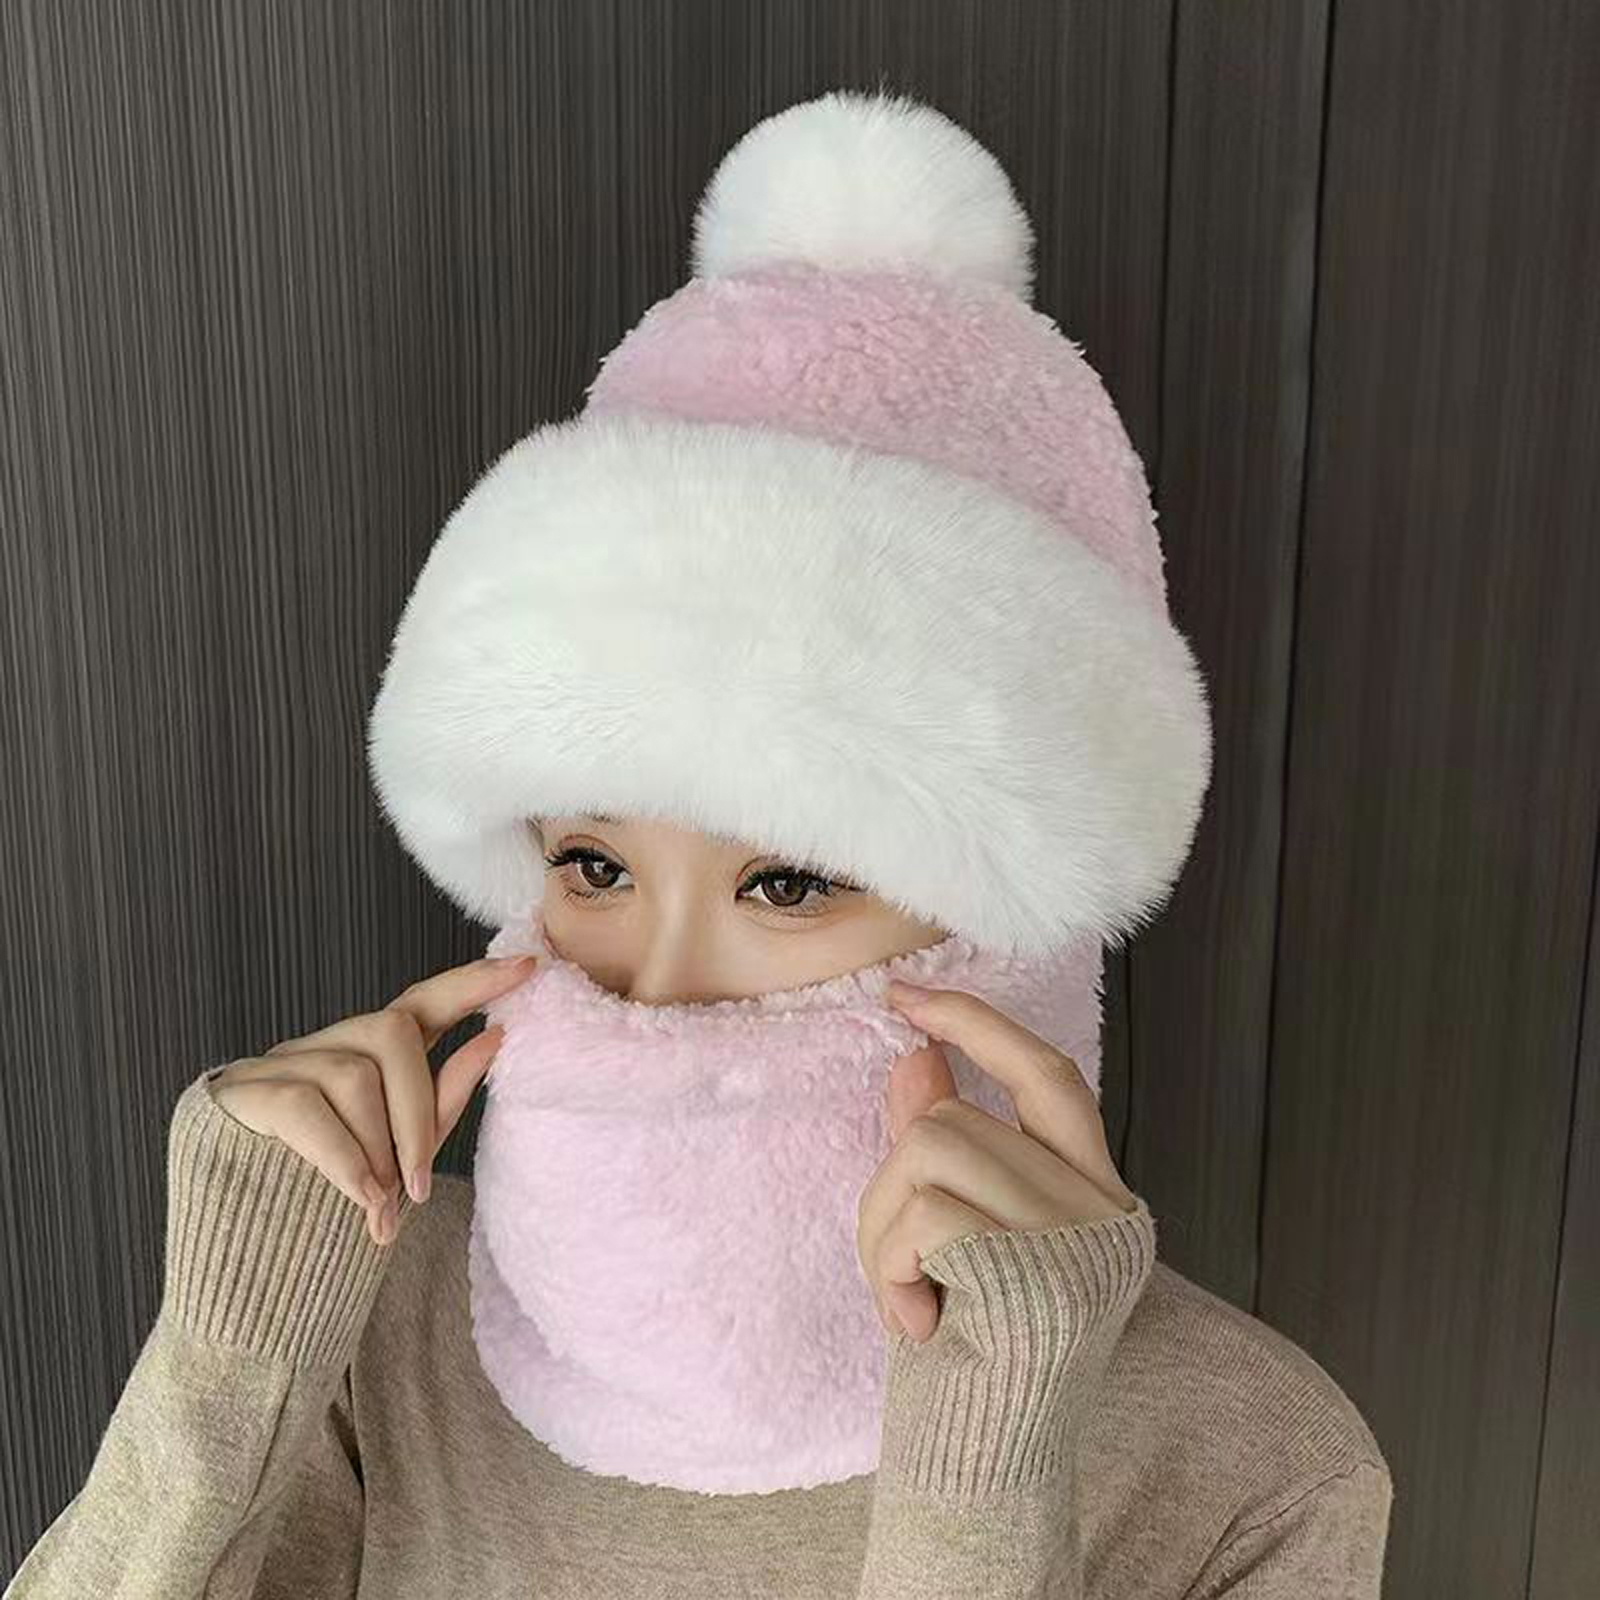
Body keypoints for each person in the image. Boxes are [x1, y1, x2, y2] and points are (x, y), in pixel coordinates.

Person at [7, 87, 1395, 1597]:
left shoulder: (1250, 1467)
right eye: (593, 868)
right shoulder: (360, 1316)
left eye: (787, 880)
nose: (654, 991)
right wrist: (223, 1370)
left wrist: (985, 1475)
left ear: (1005, 935)